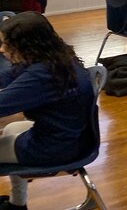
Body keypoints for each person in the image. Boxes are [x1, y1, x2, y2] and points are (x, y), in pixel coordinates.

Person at [0, 12, 95, 210]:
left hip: (56, 147)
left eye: (6, 45)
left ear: (27, 45)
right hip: (74, 135)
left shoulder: (42, 75)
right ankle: (17, 204)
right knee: (11, 129)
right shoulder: (56, 57)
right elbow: (8, 75)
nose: (2, 50)